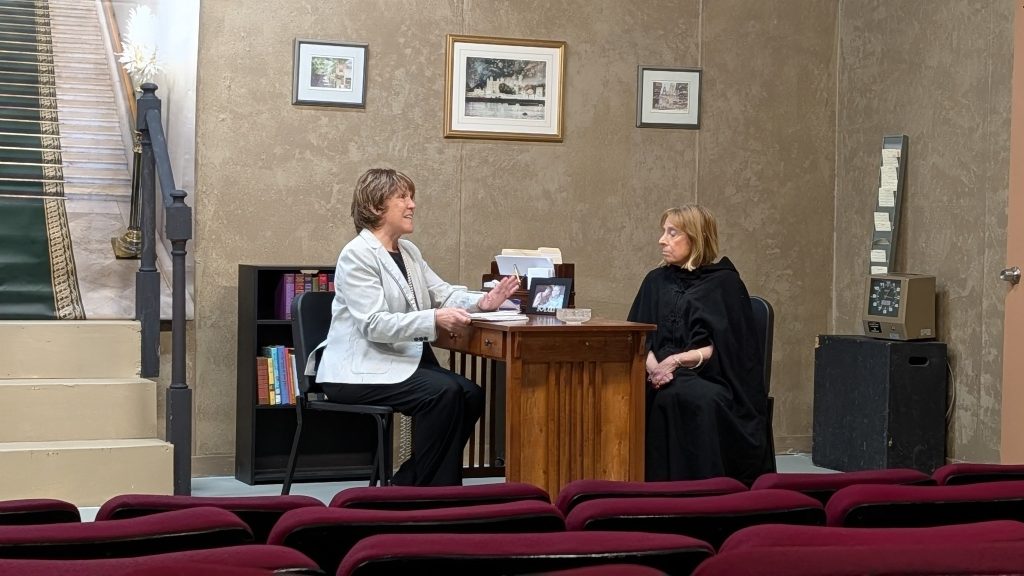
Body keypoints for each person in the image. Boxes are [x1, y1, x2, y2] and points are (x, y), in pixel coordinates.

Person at [313, 168, 519, 486]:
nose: (412, 205)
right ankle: (429, 491)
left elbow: (444, 293)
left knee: (471, 395)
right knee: (445, 394)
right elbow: (373, 324)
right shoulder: (356, 255)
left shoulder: (409, 252)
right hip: (357, 370)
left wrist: (484, 302)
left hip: (397, 362)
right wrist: (433, 319)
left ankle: (411, 484)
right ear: (376, 207)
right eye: (403, 198)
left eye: (412, 197)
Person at [627, 205, 768, 484]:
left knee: (692, 398)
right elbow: (638, 337)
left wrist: (677, 361)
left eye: (672, 233)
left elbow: (729, 347)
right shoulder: (655, 281)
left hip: (708, 372)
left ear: (695, 237)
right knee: (623, 395)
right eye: (663, 231)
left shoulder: (724, 283)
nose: (661, 240)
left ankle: (699, 491)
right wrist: (655, 367)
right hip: (654, 371)